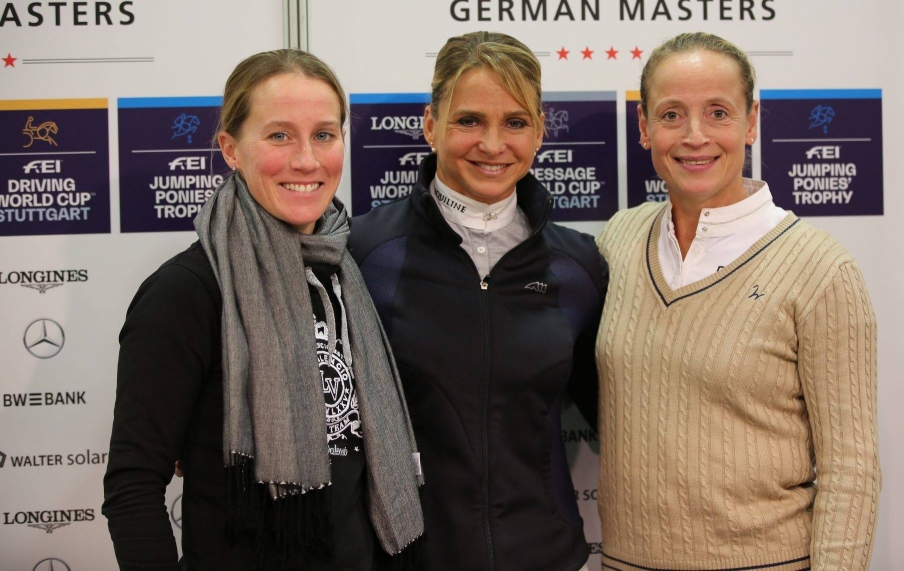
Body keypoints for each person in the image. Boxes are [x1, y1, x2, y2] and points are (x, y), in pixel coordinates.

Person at [103, 49, 423, 571]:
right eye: (279, 136)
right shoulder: (186, 292)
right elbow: (133, 487)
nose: (307, 160)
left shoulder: (349, 270)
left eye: (324, 135)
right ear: (231, 149)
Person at [595, 32, 881, 571]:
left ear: (751, 123)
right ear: (644, 127)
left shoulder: (820, 269)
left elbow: (851, 468)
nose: (695, 136)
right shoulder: (619, 240)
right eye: (672, 114)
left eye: (718, 113)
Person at [348, 31, 607, 571]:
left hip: (547, 558)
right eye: (469, 121)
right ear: (430, 125)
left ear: (539, 132)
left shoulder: (579, 267)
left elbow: (621, 417)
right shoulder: (364, 253)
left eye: (515, 122)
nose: (492, 145)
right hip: (406, 559)